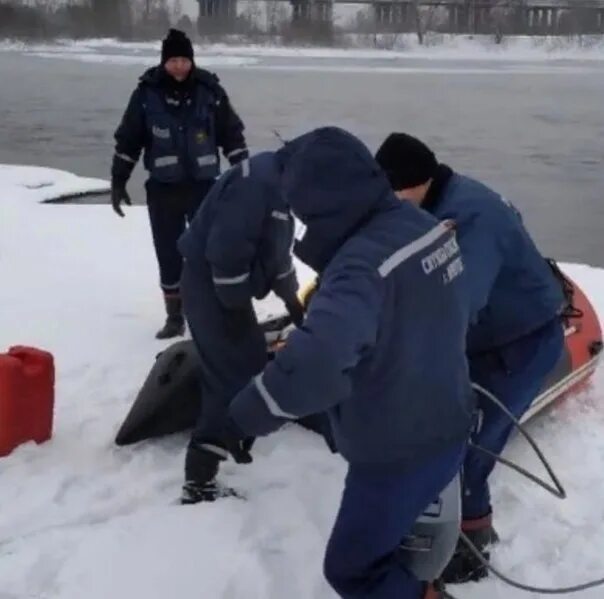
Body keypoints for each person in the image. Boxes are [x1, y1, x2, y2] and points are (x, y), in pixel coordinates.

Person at [215, 127, 475, 599]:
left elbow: (317, 367)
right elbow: (409, 318)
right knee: (394, 548)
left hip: (400, 449)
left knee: (353, 569)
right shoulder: (422, 226)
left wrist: (246, 413)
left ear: (319, 201)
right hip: (447, 417)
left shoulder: (360, 265)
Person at [375, 132, 565, 584]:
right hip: (484, 337)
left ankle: (470, 551)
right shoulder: (430, 203)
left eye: (395, 192)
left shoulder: (472, 218)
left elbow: (459, 303)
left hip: (520, 342)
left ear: (419, 182)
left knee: (466, 451)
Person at [176, 150, 304, 504]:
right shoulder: (255, 184)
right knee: (230, 375)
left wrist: (294, 302)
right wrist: (233, 308)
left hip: (225, 289)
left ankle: (228, 438)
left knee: (247, 362)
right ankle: (199, 481)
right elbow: (227, 248)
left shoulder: (279, 184)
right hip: (210, 284)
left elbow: (276, 253)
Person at [110, 28, 248, 339]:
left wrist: (245, 172)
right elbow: (129, 140)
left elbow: (231, 134)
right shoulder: (146, 95)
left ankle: (216, 311)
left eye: (184, 60)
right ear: (164, 62)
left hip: (203, 189)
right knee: (169, 254)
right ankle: (175, 317)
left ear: (192, 60)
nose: (179, 67)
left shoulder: (210, 91)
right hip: (163, 191)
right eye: (173, 60)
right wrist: (119, 181)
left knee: (211, 251)